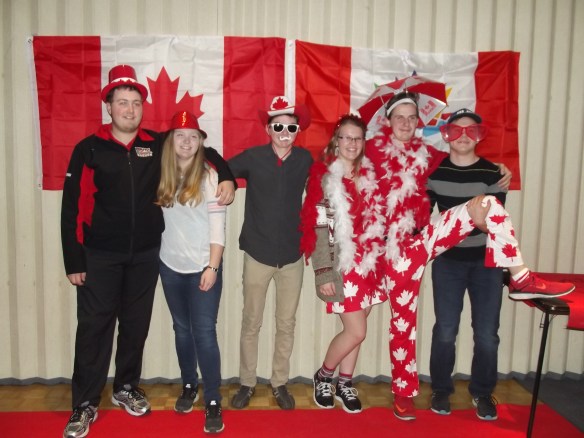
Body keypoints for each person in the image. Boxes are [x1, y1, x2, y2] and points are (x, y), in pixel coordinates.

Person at [362, 91, 574, 421]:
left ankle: (520, 277)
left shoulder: (431, 157)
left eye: (411, 117)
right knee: (402, 323)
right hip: (387, 250)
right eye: (399, 117)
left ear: (418, 122)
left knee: (489, 204)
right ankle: (404, 393)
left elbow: (466, 157)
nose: (405, 123)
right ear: (387, 122)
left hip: (423, 240)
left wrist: (500, 169)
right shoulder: (368, 154)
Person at [61, 65, 235, 438]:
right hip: (99, 256)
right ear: (109, 106)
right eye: (122, 102)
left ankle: (126, 386)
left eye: (136, 103)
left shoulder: (155, 144)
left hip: (144, 256)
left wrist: (227, 176)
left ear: (142, 107)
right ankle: (85, 403)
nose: (129, 109)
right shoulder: (88, 148)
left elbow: (202, 150)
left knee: (135, 325)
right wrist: (74, 259)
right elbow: (71, 206)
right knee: (94, 328)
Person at [228, 96, 313, 410]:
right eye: (278, 126)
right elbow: (221, 169)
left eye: (291, 127)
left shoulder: (305, 159)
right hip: (257, 253)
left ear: (298, 131)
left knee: (286, 324)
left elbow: (327, 183)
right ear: (268, 129)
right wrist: (223, 183)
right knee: (251, 322)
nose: (284, 132)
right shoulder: (253, 157)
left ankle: (279, 383)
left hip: (292, 256)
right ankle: (247, 383)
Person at [300, 114, 387, 414]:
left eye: (357, 138)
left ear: (364, 142)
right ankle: (324, 376)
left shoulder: (371, 174)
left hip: (369, 264)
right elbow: (317, 228)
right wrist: (323, 271)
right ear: (336, 141)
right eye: (346, 137)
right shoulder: (323, 178)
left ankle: (345, 382)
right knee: (357, 331)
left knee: (357, 329)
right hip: (341, 265)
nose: (352, 143)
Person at [156, 111, 226, 433]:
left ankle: (212, 399)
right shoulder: (160, 173)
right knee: (181, 330)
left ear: (201, 143)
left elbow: (217, 228)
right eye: (180, 135)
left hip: (203, 267)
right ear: (170, 140)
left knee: (204, 333)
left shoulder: (210, 177)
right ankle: (189, 384)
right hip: (170, 266)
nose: (186, 141)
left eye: (193, 136)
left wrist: (212, 266)